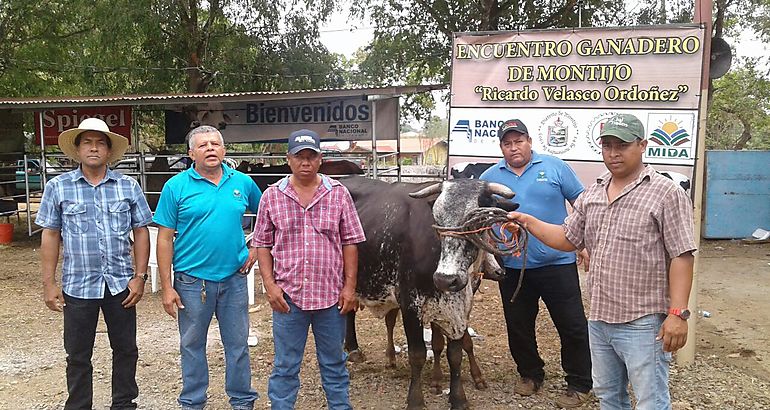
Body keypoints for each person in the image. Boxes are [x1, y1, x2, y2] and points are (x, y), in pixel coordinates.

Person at [507, 114, 696, 410]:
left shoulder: (665, 193)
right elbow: (568, 238)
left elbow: (682, 255)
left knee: (650, 401)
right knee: (609, 396)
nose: (613, 153)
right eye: (607, 145)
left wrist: (677, 314)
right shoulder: (594, 193)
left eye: (622, 145)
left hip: (643, 321)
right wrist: (528, 221)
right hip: (600, 319)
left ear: (642, 145)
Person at [37, 117, 152, 410]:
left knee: (126, 349)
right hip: (77, 285)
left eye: (100, 142)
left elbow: (141, 231)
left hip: (120, 284)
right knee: (77, 354)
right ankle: (78, 405)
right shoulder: (58, 187)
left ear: (109, 151)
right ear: (77, 150)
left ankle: (124, 404)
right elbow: (50, 235)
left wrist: (139, 276)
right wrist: (49, 283)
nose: (94, 148)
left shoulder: (127, 186)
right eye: (87, 142)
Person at [479, 119, 592, 408]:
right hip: (513, 267)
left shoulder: (555, 167)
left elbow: (582, 203)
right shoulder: (490, 178)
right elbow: (480, 219)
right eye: (507, 143)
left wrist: (584, 242)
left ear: (529, 141)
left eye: (518, 141)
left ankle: (579, 382)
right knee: (518, 326)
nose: (513, 147)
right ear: (501, 147)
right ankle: (530, 374)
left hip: (557, 261)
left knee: (572, 326)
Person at [252, 129, 365, 410]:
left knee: (335, 364)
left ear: (320, 159)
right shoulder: (272, 196)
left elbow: (351, 242)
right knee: (285, 366)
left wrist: (350, 288)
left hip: (330, 297)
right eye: (299, 157)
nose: (305, 163)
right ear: (288, 159)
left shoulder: (338, 194)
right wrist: (269, 285)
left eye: (311, 156)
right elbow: (262, 244)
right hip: (288, 298)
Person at [153, 125, 262, 410]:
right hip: (191, 282)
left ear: (224, 150)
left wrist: (256, 248)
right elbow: (164, 239)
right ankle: (192, 402)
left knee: (237, 346)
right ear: (191, 154)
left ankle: (241, 401)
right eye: (203, 145)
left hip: (234, 279)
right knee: (192, 345)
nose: (210, 149)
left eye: (215, 144)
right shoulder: (175, 187)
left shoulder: (242, 183)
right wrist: (167, 287)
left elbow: (268, 217)